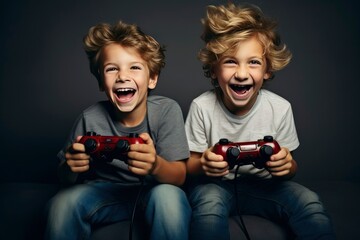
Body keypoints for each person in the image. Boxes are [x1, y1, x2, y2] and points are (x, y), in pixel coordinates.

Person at [184, 3, 335, 240]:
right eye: (230, 61)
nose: (242, 73)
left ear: (267, 70)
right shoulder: (201, 107)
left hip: (265, 187)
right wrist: (204, 164)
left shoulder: (280, 108)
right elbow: (189, 166)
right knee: (208, 205)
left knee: (309, 201)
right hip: (215, 186)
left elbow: (289, 166)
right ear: (213, 69)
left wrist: (286, 166)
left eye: (253, 62)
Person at [44, 21, 191, 240]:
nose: (122, 76)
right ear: (101, 82)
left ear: (152, 78)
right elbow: (64, 179)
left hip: (153, 192)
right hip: (103, 193)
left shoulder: (167, 110)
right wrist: (71, 167)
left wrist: (155, 164)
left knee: (169, 198)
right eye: (112, 69)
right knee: (62, 203)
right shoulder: (90, 118)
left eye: (134, 67)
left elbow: (179, 176)